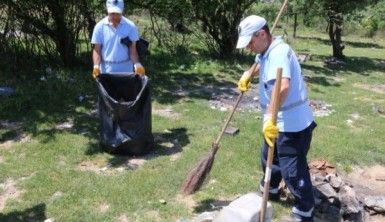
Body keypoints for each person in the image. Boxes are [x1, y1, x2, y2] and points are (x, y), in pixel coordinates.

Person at [236, 15, 317, 222]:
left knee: (293, 170)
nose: (248, 48)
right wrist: (248, 74)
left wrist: (269, 118)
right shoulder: (266, 50)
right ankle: (270, 189)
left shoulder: (279, 53)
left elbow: (283, 86)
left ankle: (304, 208)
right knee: (270, 156)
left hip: (293, 123)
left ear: (262, 34)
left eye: (250, 43)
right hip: (278, 120)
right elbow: (258, 61)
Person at [91, 0, 145, 78]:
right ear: (107, 10)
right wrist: (96, 66)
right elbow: (97, 50)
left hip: (126, 71)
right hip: (106, 71)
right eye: (112, 13)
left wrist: (137, 64)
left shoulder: (130, 26)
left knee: (126, 90)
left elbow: (132, 50)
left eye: (117, 13)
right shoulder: (99, 27)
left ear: (122, 11)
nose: (115, 16)